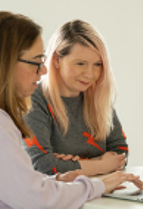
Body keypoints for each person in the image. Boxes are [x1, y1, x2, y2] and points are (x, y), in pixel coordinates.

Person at [0, 11, 142, 209]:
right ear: (6, 62)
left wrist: (55, 181)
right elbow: (36, 197)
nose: (44, 70)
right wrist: (97, 183)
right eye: (37, 62)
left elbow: (20, 186)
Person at [25, 20, 128, 177]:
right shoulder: (33, 99)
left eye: (97, 64)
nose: (90, 74)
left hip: (101, 194)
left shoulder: (98, 96)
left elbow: (121, 152)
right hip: (59, 198)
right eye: (80, 63)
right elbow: (43, 165)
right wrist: (101, 165)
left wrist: (76, 165)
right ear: (56, 60)